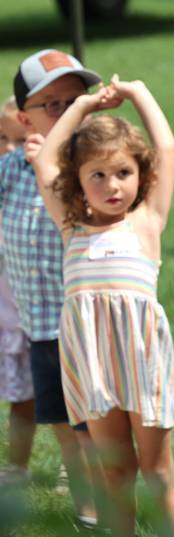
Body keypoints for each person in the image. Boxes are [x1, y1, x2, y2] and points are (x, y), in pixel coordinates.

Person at [32, 75, 174, 537]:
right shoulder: (72, 227)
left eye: (122, 173)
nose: (111, 185)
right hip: (92, 364)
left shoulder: (146, 221)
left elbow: (167, 146)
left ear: (142, 175)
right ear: (77, 181)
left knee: (157, 471)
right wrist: (80, 106)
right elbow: (43, 160)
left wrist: (139, 93)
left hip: (141, 360)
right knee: (115, 472)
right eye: (96, 174)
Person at [1, 48, 99, 527]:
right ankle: (86, 513)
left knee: (96, 425)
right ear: (24, 118)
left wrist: (54, 170)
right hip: (41, 324)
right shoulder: (9, 171)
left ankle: (113, 505)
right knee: (63, 424)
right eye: (51, 105)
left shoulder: (96, 168)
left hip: (91, 322)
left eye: (74, 102)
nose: (64, 113)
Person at [0, 96, 35, 486]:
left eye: (18, 139)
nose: (8, 149)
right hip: (11, 311)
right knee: (21, 397)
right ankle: (18, 465)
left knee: (69, 399)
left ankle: (72, 466)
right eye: (1, 138)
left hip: (48, 311)